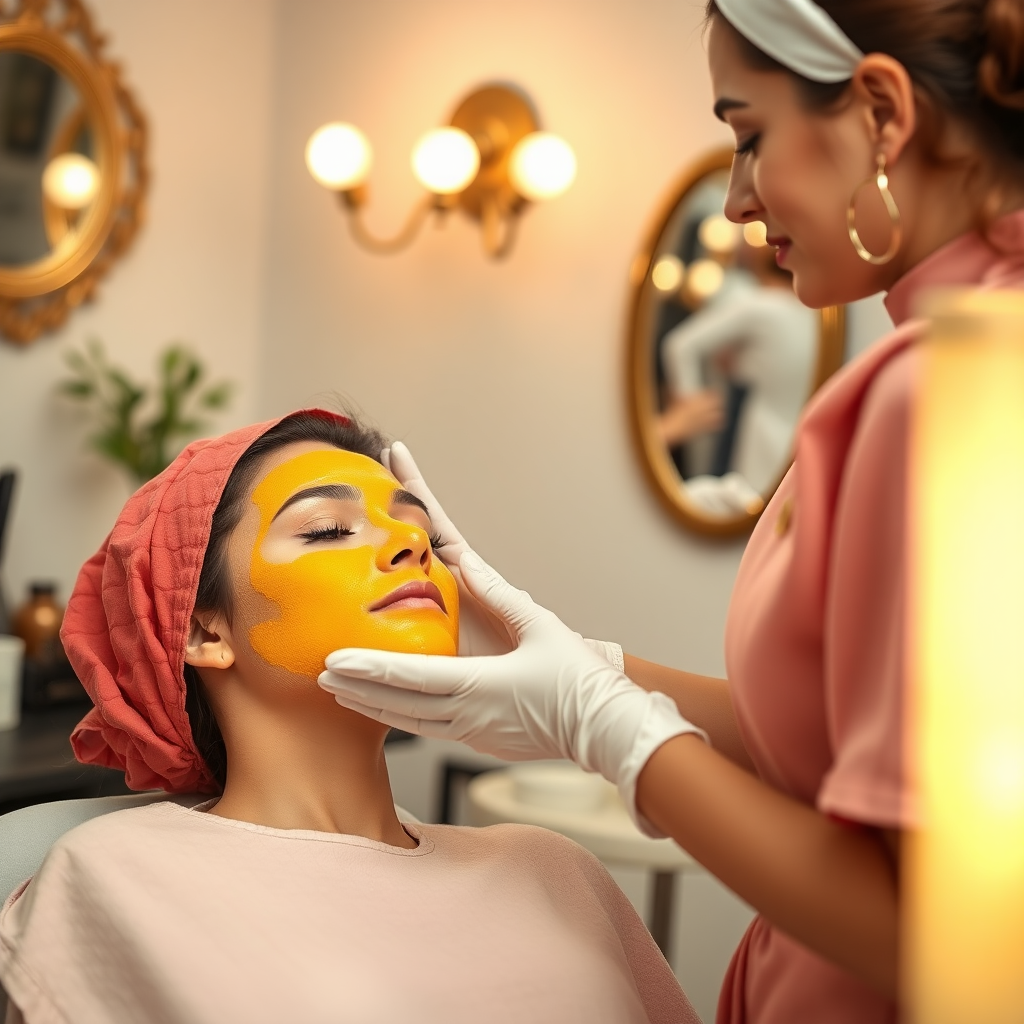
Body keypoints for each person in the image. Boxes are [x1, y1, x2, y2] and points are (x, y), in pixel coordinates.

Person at [317, 1, 1024, 1021]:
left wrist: (611, 731)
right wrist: (579, 666)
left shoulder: (946, 390)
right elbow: (833, 747)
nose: (735, 201)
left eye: (747, 137)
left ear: (879, 110)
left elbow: (937, 935)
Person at [0, 410, 696, 1024]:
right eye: (328, 529)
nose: (412, 546)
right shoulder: (112, 878)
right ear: (203, 630)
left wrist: (593, 673)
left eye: (420, 531)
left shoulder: (556, 870)